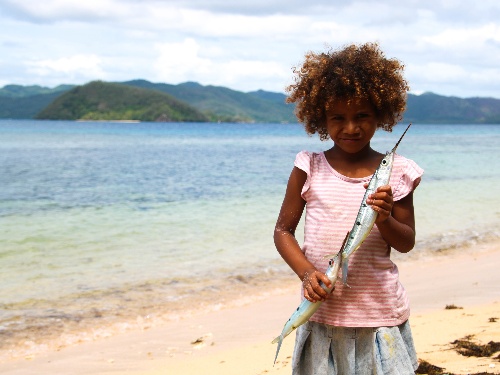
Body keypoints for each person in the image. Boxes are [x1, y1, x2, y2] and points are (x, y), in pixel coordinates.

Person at [274, 42, 424, 374]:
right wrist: (307, 273)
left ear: (381, 114)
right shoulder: (308, 166)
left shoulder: (397, 172)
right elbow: (283, 231)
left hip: (379, 316)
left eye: (362, 116)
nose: (351, 127)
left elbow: (405, 242)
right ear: (319, 118)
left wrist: (383, 219)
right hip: (322, 313)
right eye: (337, 118)